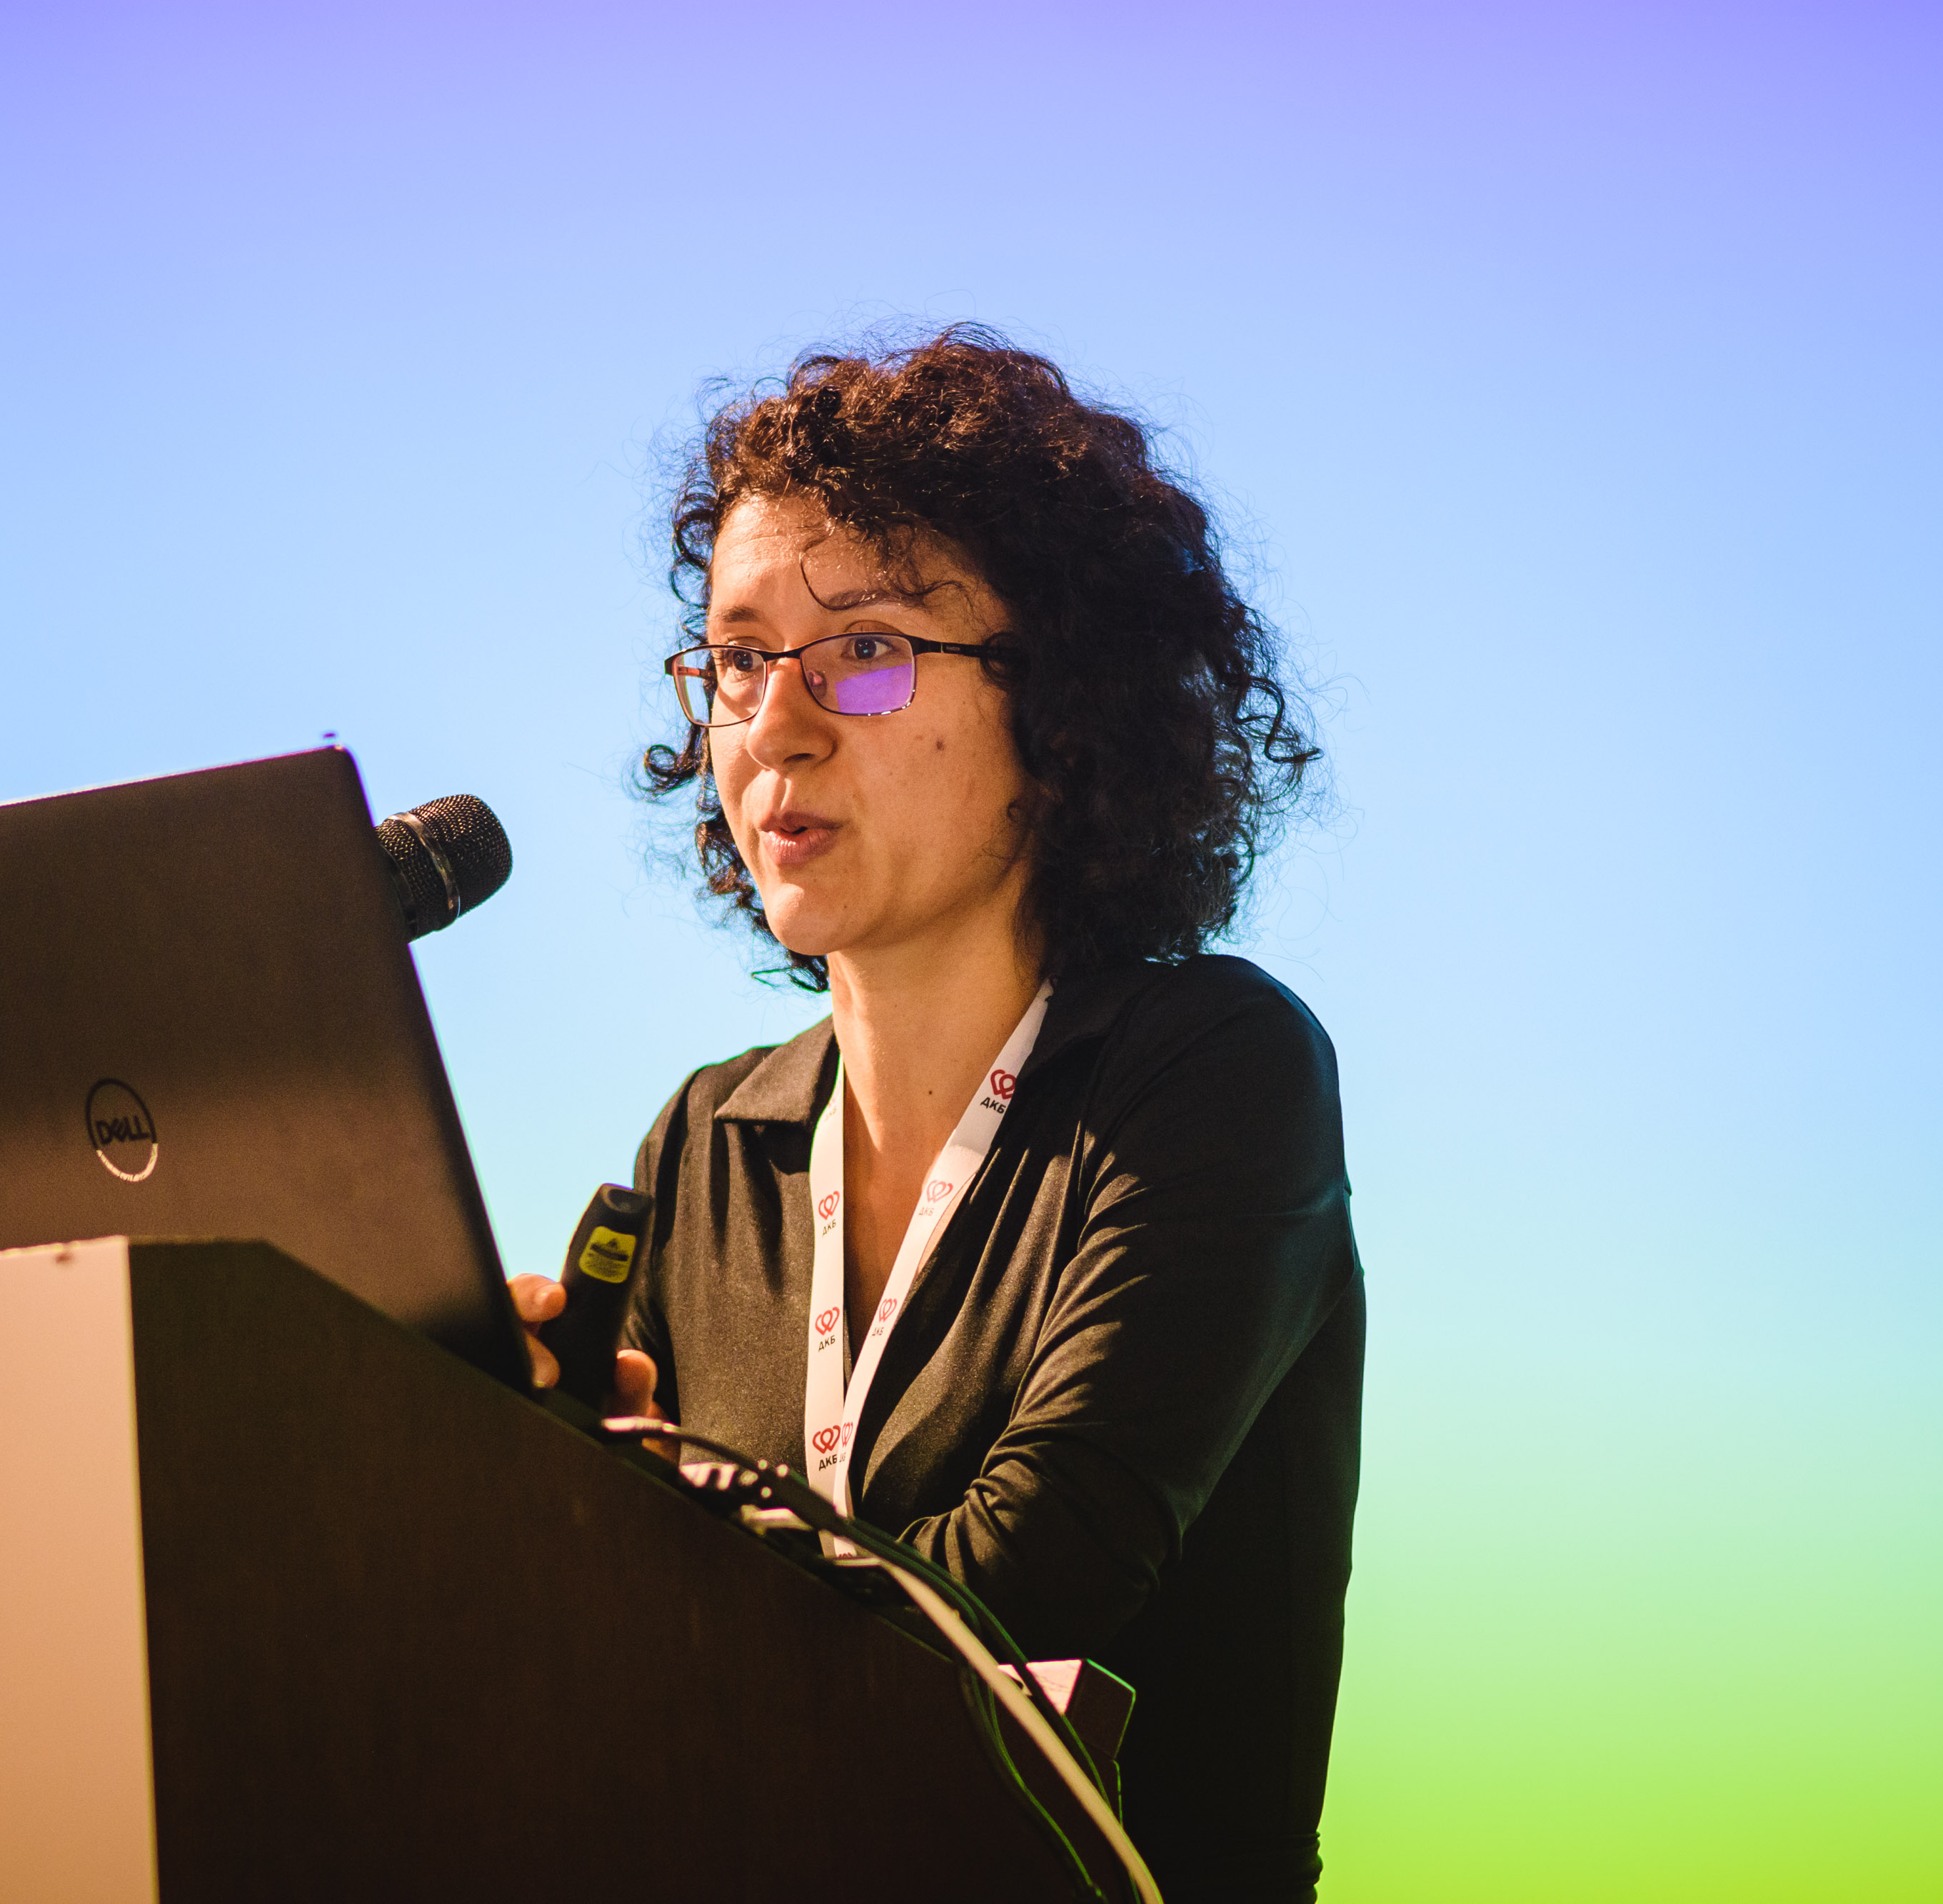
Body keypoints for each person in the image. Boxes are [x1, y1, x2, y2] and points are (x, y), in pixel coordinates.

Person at [510, 328, 1364, 1903]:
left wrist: (662, 1559)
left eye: (864, 648)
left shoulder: (1214, 1073)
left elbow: (1019, 1586)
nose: (775, 724)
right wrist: (520, 1478)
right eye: (739, 658)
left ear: (1063, 704)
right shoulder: (707, 1146)